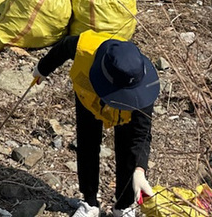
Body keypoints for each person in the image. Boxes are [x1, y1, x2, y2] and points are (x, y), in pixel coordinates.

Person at [33, 32, 160, 217]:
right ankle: (90, 202)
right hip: (89, 96)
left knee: (127, 149)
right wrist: (42, 69)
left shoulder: (143, 87)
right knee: (87, 142)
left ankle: (123, 206)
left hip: (127, 111)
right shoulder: (84, 48)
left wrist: (139, 170)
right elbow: (63, 48)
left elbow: (140, 135)